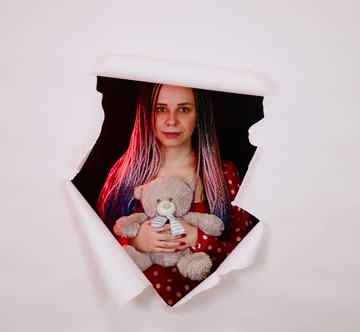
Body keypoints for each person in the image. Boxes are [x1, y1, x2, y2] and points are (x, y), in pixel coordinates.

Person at [97, 83, 255, 306]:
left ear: (199, 114)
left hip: (210, 309)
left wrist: (199, 239)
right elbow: (95, 251)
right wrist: (134, 241)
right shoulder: (125, 174)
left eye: (184, 109)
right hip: (139, 314)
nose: (171, 121)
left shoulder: (223, 176)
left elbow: (247, 257)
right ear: (147, 114)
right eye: (161, 109)